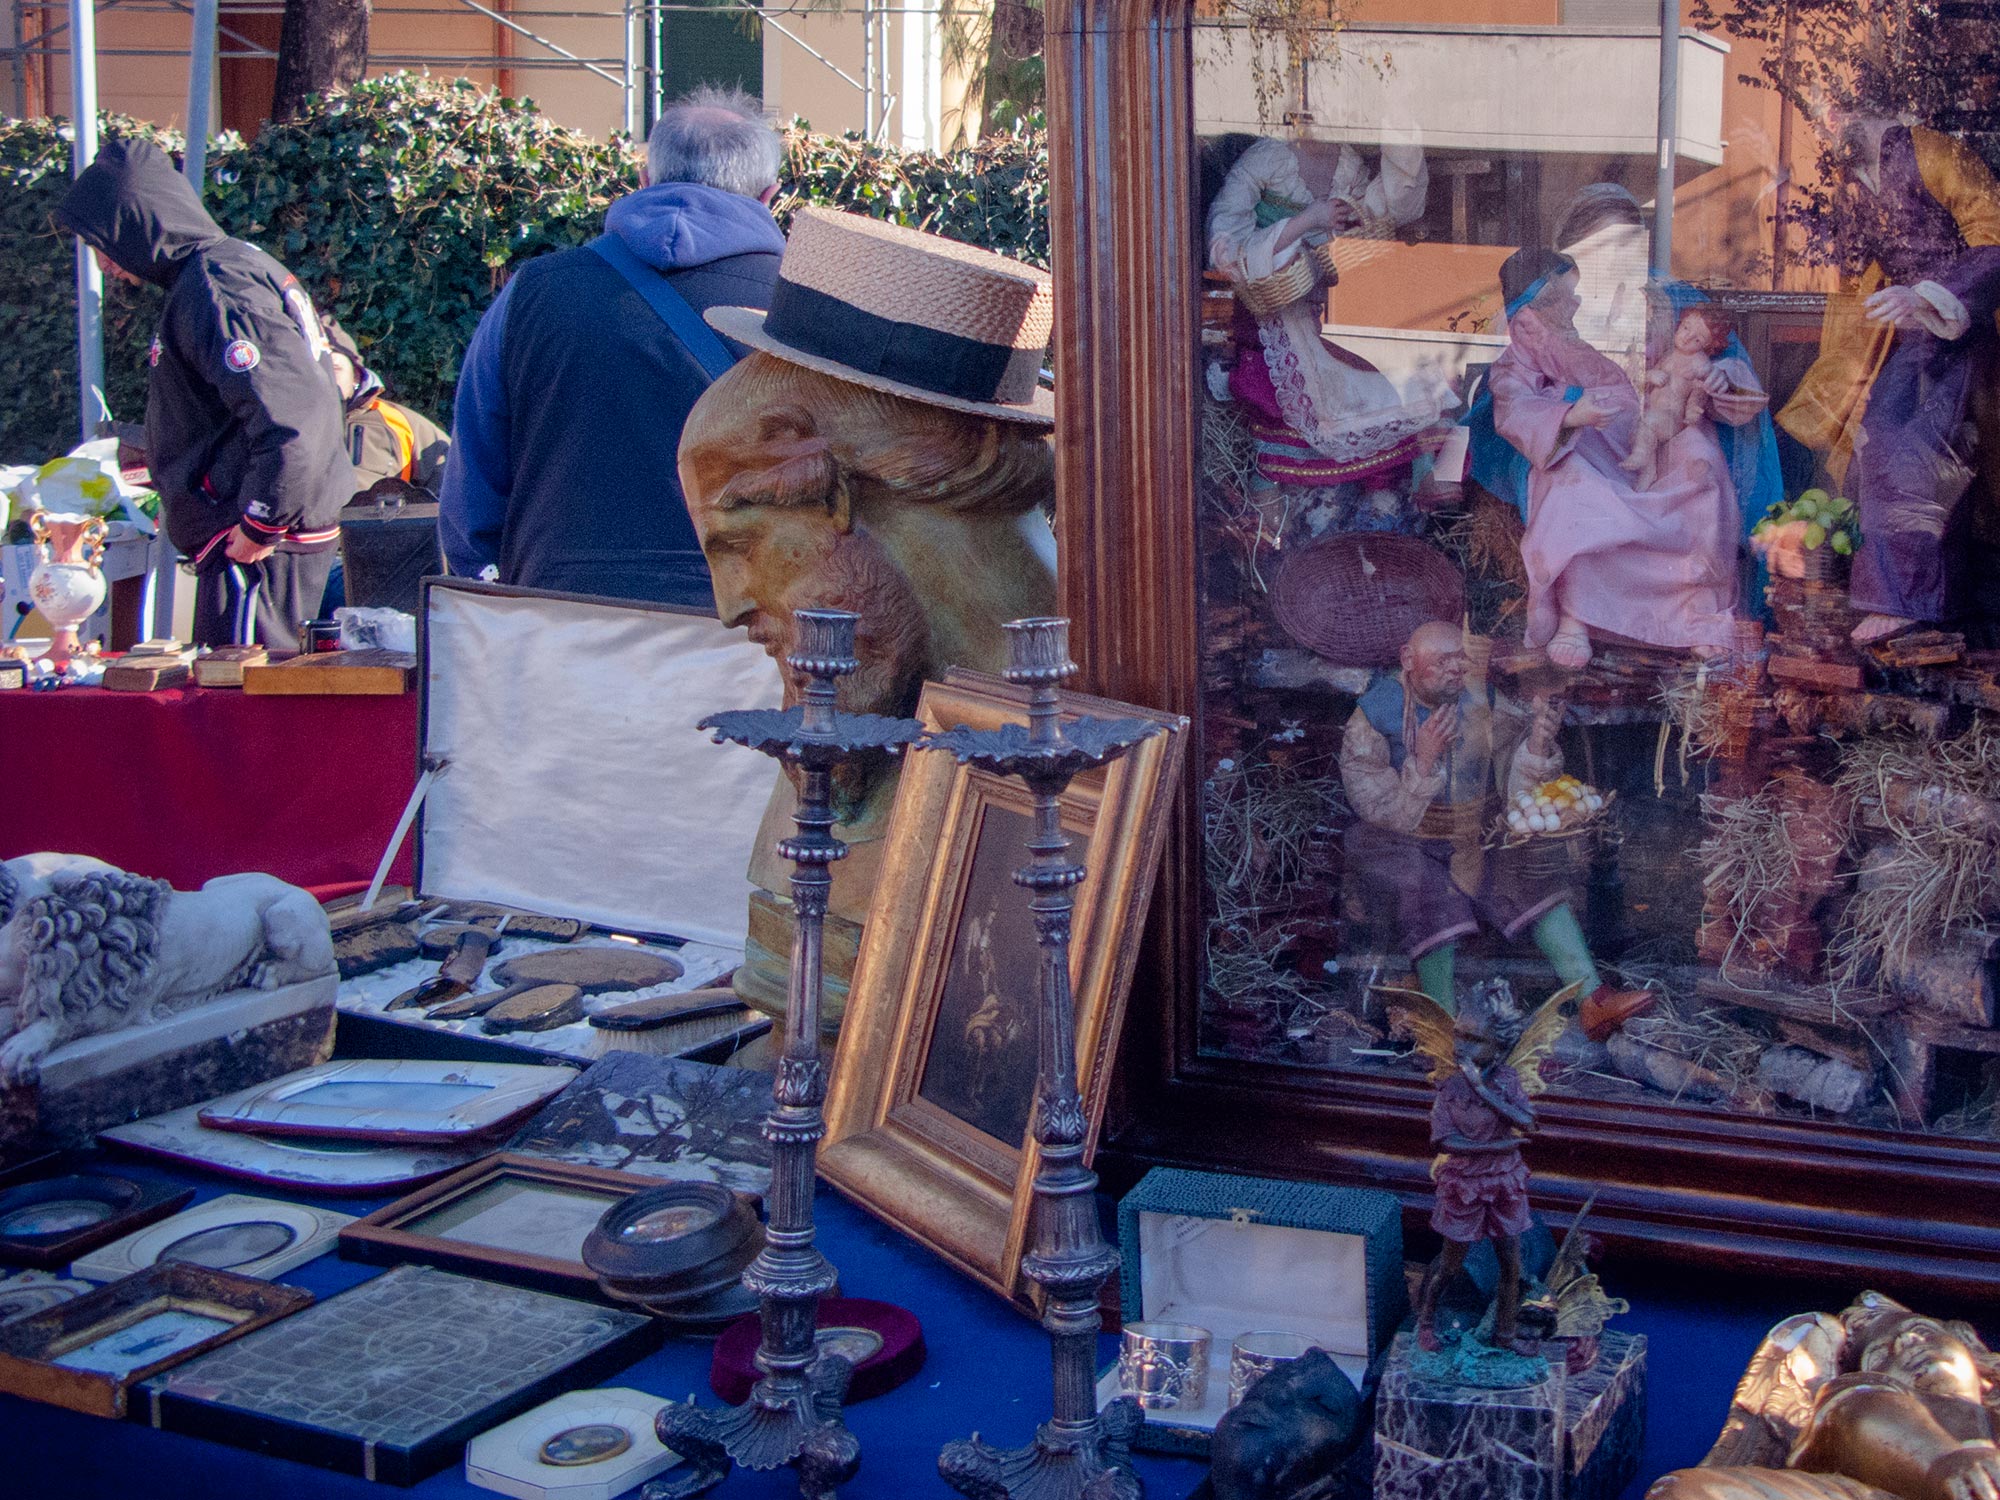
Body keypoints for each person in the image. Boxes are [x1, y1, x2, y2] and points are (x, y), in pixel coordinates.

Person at [439, 86, 786, 609]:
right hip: (750, 628)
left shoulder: (531, 291)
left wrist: (495, 599)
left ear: (643, 181)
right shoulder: (802, 310)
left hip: (560, 619)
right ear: (769, 195)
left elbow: (473, 487)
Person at [56, 140, 354, 651]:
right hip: (263, 534)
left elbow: (289, 414)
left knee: (240, 707)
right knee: (246, 703)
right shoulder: (226, 269)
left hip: (258, 546)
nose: (103, 263)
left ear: (135, 224)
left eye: (101, 244)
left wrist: (262, 520)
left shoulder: (218, 286)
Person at [1338, 618, 1653, 1040]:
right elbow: (1372, 801)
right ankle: (1443, 1025)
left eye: (1459, 660)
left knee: (1528, 874)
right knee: (1428, 891)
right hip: (1400, 837)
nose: (1455, 670)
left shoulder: (1483, 700)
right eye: (1442, 660)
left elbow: (1511, 779)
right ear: (1408, 661)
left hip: (1472, 831)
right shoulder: (1373, 715)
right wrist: (1424, 762)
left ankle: (1593, 1002)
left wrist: (1537, 745)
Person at [1777, 107, 2000, 645]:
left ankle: (1914, 600)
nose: (1829, 125)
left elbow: (1993, 233)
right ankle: (1912, 599)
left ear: (1872, 111)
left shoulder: (1933, 153)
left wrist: (1927, 295)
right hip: (1912, 339)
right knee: (1880, 442)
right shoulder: (1854, 184)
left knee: (1919, 453)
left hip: (1965, 331)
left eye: (1839, 111)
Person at [1487, 247, 1759, 667]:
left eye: (1577, 294)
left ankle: (1696, 617)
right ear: (1529, 314)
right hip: (1581, 442)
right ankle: (1578, 617)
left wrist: (1718, 379)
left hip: (1652, 435)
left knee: (1701, 463)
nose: (1576, 304)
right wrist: (1572, 415)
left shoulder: (1651, 307)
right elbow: (1514, 408)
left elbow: (1716, 362)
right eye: (1564, 297)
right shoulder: (1524, 356)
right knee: (1570, 487)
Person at [327, 326, 449, 493]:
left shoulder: (399, 422)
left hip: (378, 518)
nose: (323, 376)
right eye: (314, 367)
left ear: (356, 375)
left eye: (334, 368)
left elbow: (453, 483)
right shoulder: (283, 423)